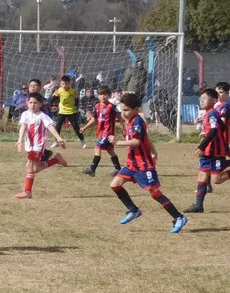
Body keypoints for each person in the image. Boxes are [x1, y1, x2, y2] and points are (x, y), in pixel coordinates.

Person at [110, 93, 187, 232]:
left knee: (155, 194)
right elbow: (146, 137)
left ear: (136, 109)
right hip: (132, 164)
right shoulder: (131, 121)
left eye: (126, 110)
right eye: (122, 110)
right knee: (115, 184)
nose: (123, 113)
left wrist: (117, 142)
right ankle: (133, 210)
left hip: (143, 165)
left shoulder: (137, 121)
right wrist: (154, 151)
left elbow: (136, 141)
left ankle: (179, 217)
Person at [15, 92, 69, 199]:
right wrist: (20, 140)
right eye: (31, 102)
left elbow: (50, 127)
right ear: (27, 103)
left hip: (38, 145)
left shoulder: (42, 116)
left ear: (40, 104)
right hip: (29, 145)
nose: (33, 105)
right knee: (35, 168)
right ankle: (56, 159)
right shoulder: (25, 114)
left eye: (35, 103)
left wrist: (58, 138)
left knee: (30, 166)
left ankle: (27, 192)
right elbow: (23, 127)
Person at [184, 88, 229, 213]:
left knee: (216, 180)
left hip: (215, 151)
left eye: (204, 98)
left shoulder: (213, 113)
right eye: (201, 98)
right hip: (207, 152)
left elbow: (214, 131)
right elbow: (219, 127)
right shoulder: (209, 113)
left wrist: (202, 146)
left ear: (213, 100)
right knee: (202, 176)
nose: (201, 100)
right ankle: (199, 205)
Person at [81, 87, 124, 177]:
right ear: (98, 95)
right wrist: (85, 127)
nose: (103, 96)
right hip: (101, 133)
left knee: (97, 148)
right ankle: (119, 170)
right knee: (110, 151)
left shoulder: (112, 107)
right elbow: (94, 119)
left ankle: (92, 169)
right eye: (101, 94)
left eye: (105, 94)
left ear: (109, 95)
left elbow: (120, 118)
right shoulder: (97, 106)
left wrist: (123, 129)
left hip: (108, 133)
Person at [53, 75, 86, 148]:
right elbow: (54, 98)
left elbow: (76, 100)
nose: (64, 85)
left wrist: (76, 107)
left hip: (71, 111)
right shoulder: (59, 90)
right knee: (57, 126)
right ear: (60, 84)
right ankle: (56, 141)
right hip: (62, 111)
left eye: (66, 83)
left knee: (75, 126)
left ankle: (82, 140)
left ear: (69, 84)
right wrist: (53, 102)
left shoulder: (73, 91)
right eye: (63, 83)